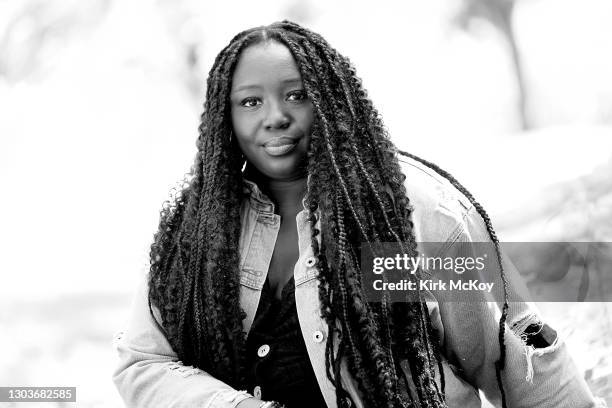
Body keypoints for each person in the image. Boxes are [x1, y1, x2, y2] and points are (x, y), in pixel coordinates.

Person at [112, 21, 605, 408]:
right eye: (250, 101)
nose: (275, 116)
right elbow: (143, 362)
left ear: (330, 100)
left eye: (296, 94)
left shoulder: (411, 218)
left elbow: (511, 352)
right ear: (227, 116)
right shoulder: (198, 231)